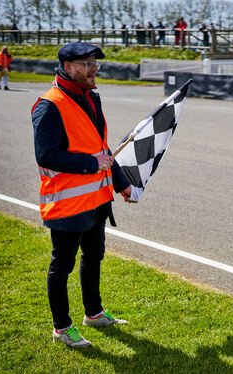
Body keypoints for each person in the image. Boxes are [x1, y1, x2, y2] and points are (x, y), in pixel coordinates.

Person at [31, 42, 137, 348]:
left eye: (95, 63)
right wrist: (92, 164)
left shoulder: (92, 98)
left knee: (94, 257)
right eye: (87, 63)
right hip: (67, 202)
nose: (94, 68)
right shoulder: (48, 105)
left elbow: (100, 147)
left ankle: (93, 313)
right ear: (68, 67)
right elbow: (47, 154)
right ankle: (61, 329)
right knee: (62, 266)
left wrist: (120, 182)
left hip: (97, 200)